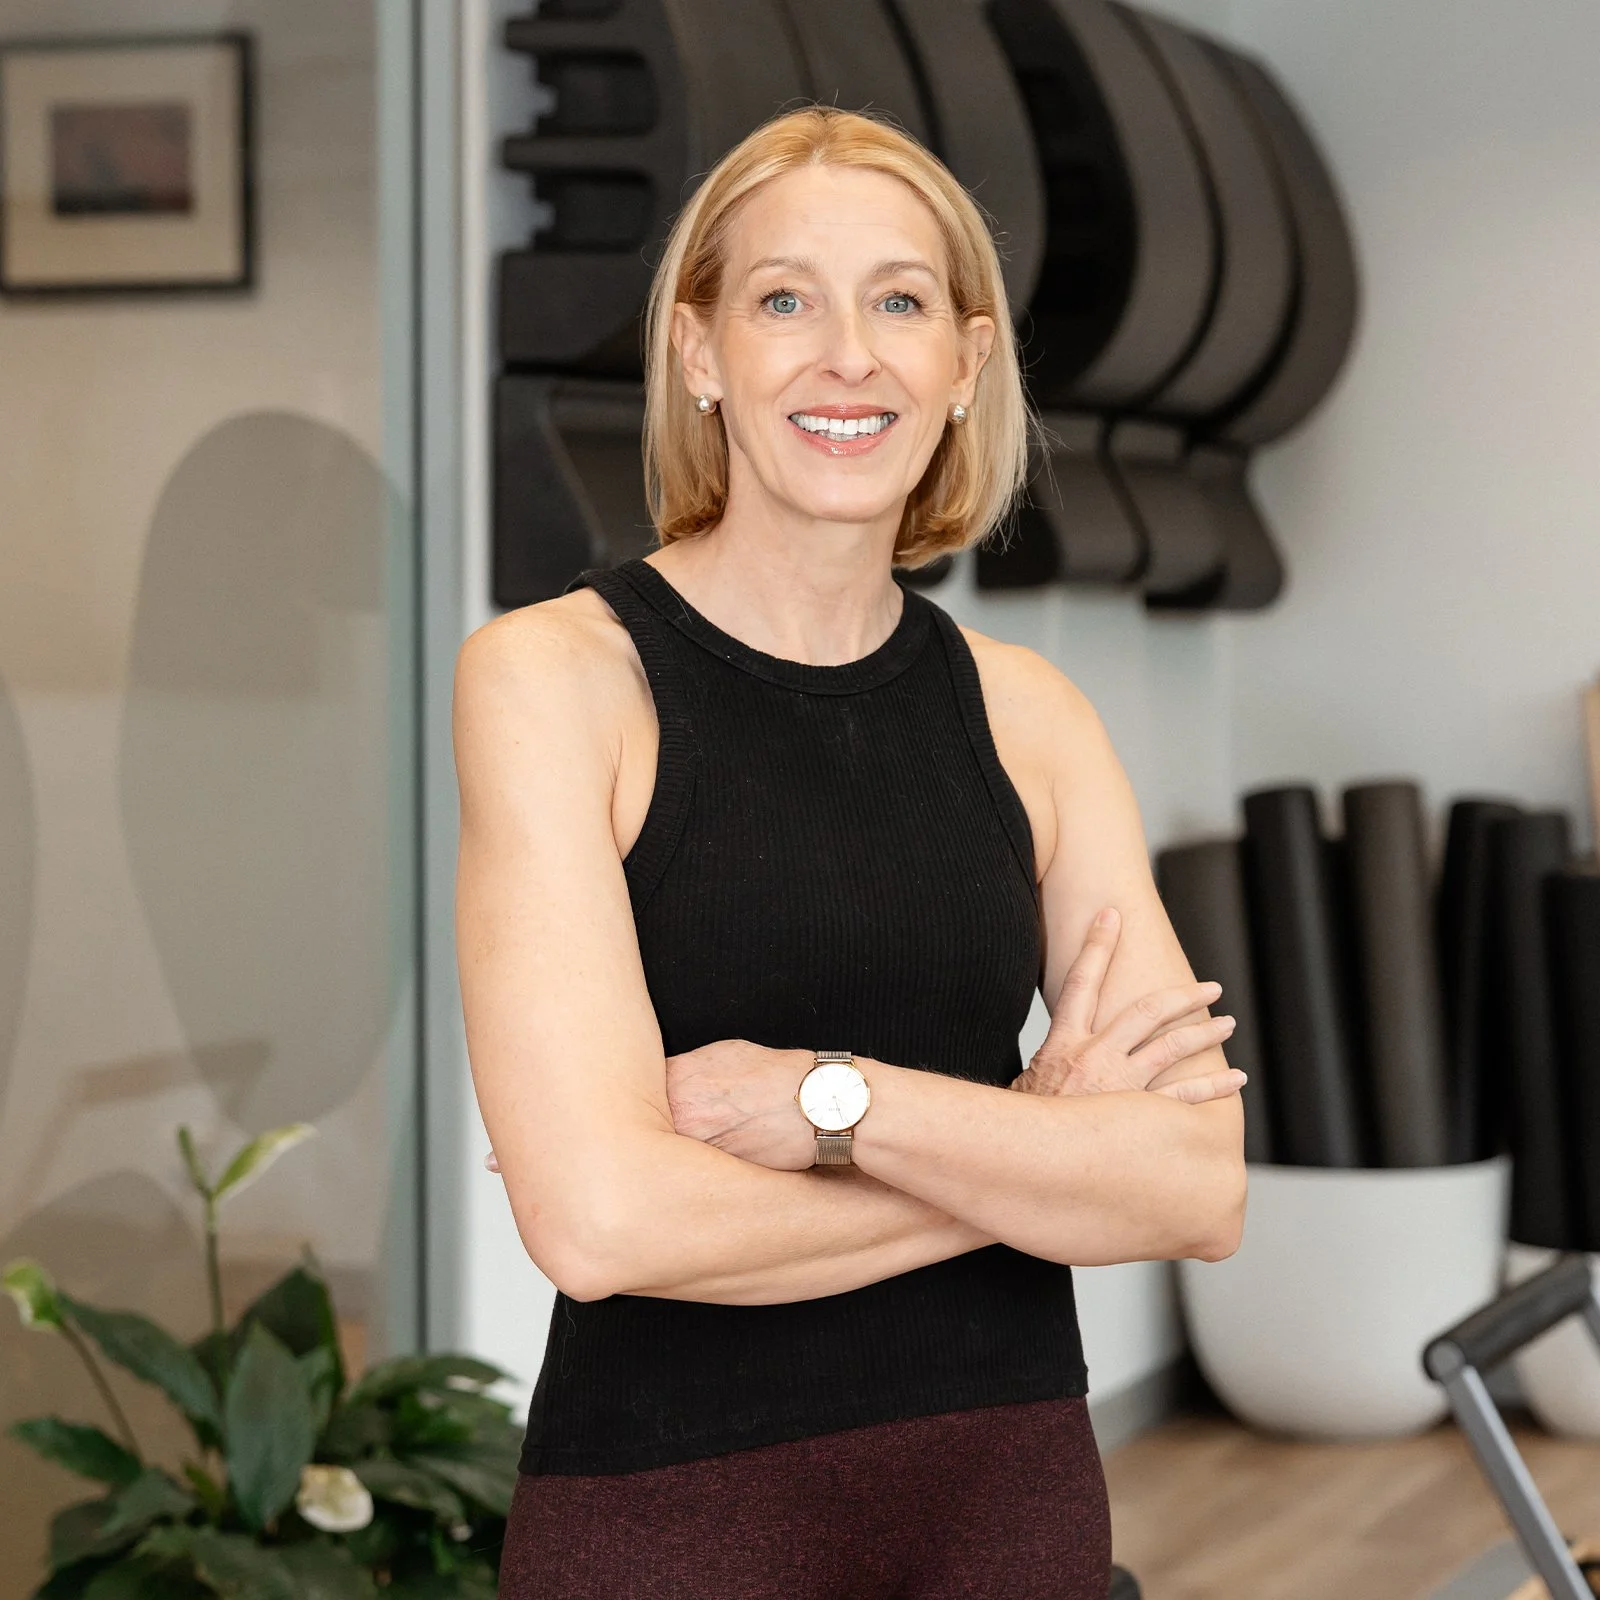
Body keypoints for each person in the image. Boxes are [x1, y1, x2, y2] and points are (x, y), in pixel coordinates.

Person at [455, 104, 1247, 1600]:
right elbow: (600, 1219)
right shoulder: (558, 681)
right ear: (700, 355)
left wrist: (829, 1103)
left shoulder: (1032, 717)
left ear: (965, 362)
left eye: (898, 301)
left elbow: (1196, 1189)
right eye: (782, 301)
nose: (848, 355)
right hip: (675, 1516)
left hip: (1006, 1505)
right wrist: (1028, 1145)